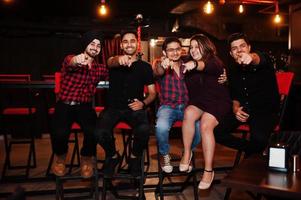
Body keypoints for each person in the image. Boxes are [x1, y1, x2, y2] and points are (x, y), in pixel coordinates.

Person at [153, 37, 226, 173]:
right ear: (164, 52)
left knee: (199, 128)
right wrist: (162, 65)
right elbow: (158, 71)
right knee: (161, 127)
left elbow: (208, 66)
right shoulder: (160, 62)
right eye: (170, 50)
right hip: (168, 107)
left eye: (177, 49)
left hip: (187, 106)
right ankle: (164, 154)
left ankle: (187, 152)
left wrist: (224, 75)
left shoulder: (187, 62)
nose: (174, 53)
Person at [94, 30, 156, 178]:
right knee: (98, 132)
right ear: (121, 45)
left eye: (132, 41)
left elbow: (153, 93)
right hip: (113, 108)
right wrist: (118, 59)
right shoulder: (113, 61)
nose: (129, 44)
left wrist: (143, 103)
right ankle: (113, 156)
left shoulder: (145, 67)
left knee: (144, 129)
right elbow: (110, 62)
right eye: (125, 41)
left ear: (137, 43)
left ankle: (135, 157)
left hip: (134, 108)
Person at [51, 30, 108, 178]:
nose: (95, 47)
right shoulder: (71, 59)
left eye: (98, 45)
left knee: (93, 131)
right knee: (59, 132)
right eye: (92, 44)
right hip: (65, 104)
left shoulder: (99, 69)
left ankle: (86, 159)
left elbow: (113, 72)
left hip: (84, 106)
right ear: (85, 45)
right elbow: (70, 62)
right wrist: (77, 60)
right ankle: (60, 158)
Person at [214, 33, 280, 158]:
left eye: (242, 46)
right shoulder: (232, 71)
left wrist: (251, 57)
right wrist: (236, 109)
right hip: (245, 111)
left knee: (259, 139)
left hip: (265, 112)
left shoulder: (263, 61)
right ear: (231, 54)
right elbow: (235, 96)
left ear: (249, 47)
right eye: (234, 48)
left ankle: (252, 154)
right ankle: (254, 150)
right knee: (216, 132)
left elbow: (259, 58)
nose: (239, 50)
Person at [180, 34, 232, 190]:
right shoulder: (186, 60)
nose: (194, 49)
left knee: (205, 125)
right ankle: (187, 153)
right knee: (188, 112)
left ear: (206, 46)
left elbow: (205, 66)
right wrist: (164, 61)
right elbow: (171, 64)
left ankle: (208, 170)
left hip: (218, 101)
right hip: (199, 103)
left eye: (197, 46)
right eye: (192, 47)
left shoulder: (214, 61)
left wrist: (194, 65)